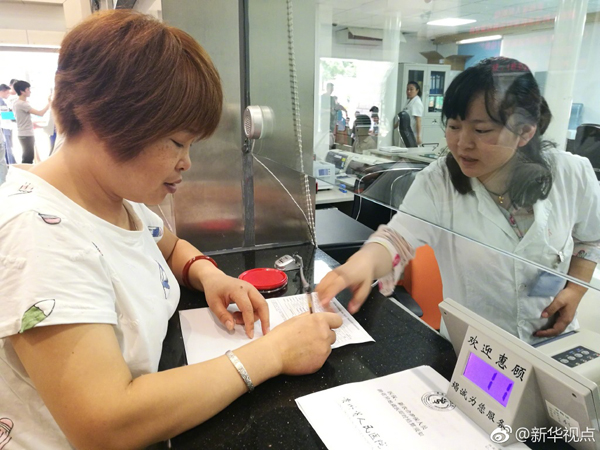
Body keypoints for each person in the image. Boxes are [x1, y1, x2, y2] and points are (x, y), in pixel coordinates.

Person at [0, 10, 342, 449]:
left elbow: (170, 245)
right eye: (178, 142)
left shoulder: (115, 199)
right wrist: (273, 353)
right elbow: (105, 424)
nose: (187, 162)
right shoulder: (39, 233)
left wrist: (209, 274)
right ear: (107, 118)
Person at [317, 57, 600, 345]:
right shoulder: (438, 181)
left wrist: (576, 289)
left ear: (525, 132)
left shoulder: (571, 173)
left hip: (555, 344)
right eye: (454, 126)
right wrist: (364, 262)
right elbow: (397, 239)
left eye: (481, 130)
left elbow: (591, 239)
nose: (462, 143)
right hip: (474, 350)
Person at [12, 80, 51, 164]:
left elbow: (22, 118)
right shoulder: (22, 104)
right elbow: (40, 113)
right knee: (28, 158)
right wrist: (49, 104)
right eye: (28, 89)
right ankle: (24, 172)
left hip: (23, 133)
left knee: (28, 157)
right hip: (26, 134)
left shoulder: (16, 102)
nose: (30, 91)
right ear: (22, 91)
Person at [394, 81, 424, 146]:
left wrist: (418, 136)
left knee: (410, 150)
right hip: (405, 132)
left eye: (411, 89)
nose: (409, 91)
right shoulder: (408, 101)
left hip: (412, 134)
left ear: (417, 90)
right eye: (407, 89)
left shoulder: (417, 102)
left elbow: (418, 121)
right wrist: (394, 126)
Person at [0, 83, 16, 164]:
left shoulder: (3, 101)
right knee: (8, 146)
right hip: (5, 126)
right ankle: (11, 164)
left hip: (5, 126)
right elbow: (6, 116)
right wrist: (13, 114)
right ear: (2, 91)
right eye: (7, 93)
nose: (8, 95)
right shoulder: (1, 102)